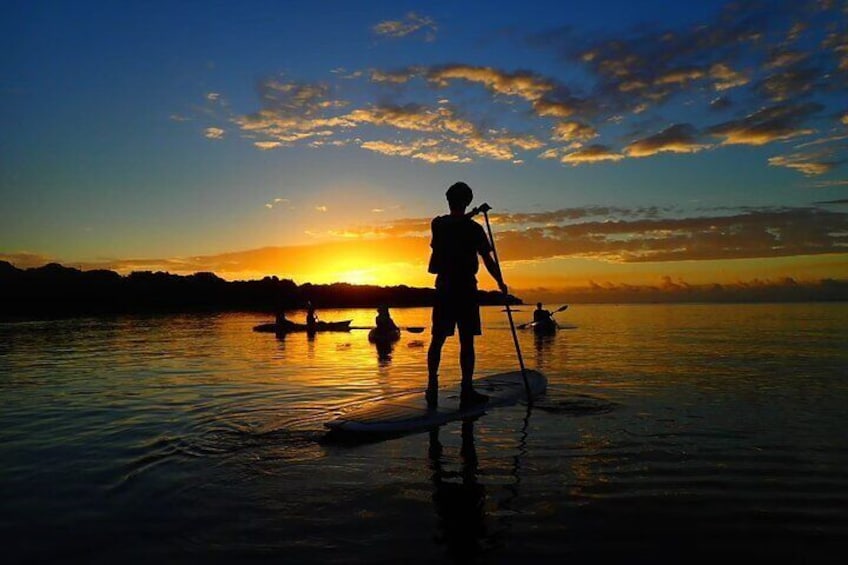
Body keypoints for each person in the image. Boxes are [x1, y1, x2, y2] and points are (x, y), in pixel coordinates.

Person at [427, 181, 508, 408]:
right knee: (451, 340)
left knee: (454, 340)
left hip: (452, 288)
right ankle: (440, 387)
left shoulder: (447, 225)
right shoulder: (443, 224)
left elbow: (488, 259)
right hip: (456, 288)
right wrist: (474, 213)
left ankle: (458, 388)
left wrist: (500, 281)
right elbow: (487, 259)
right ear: (465, 202)